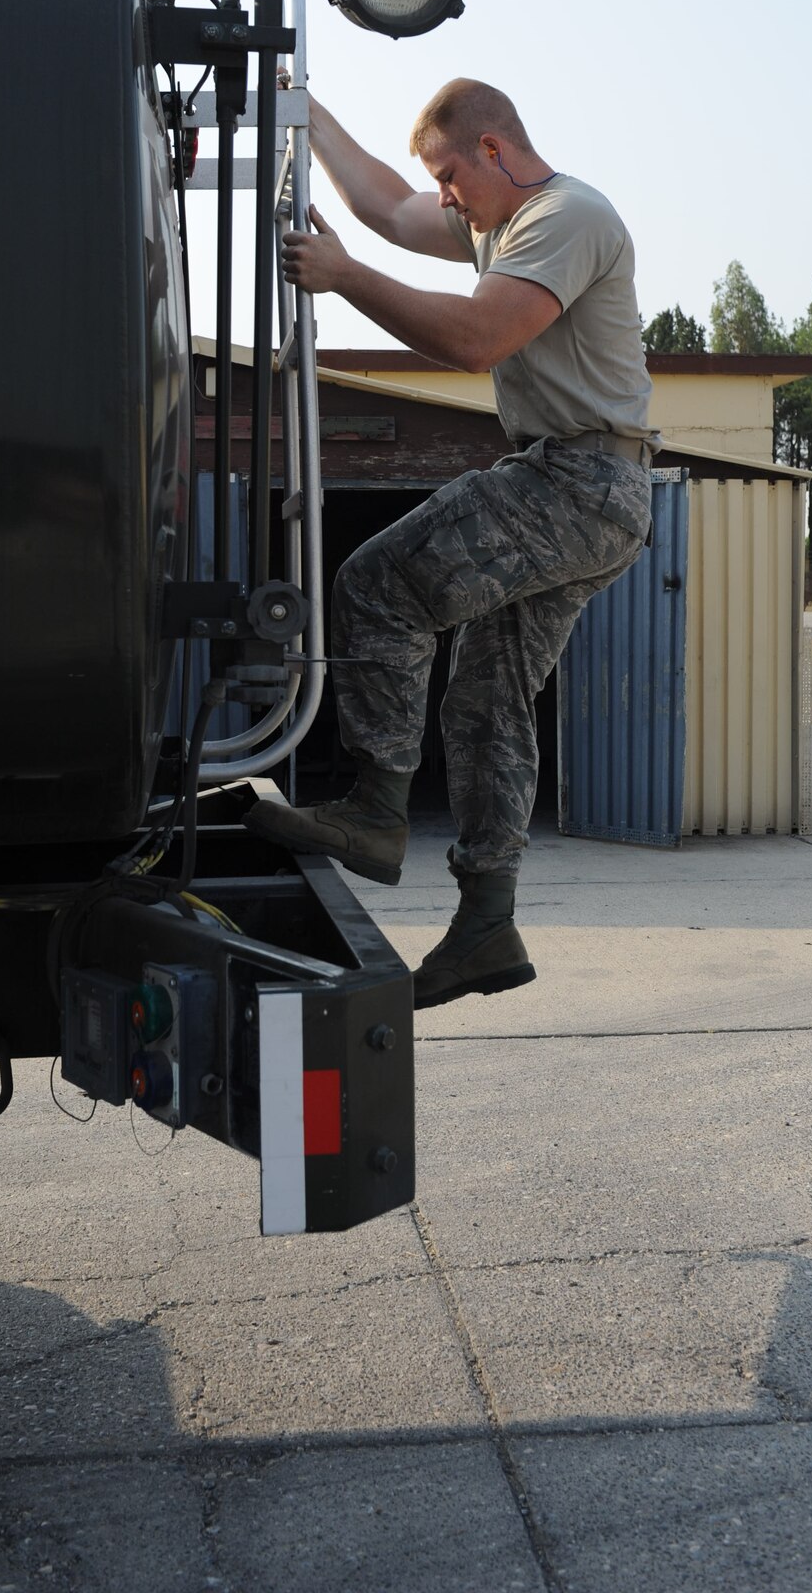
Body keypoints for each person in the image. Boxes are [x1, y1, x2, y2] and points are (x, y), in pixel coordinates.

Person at [244, 78, 657, 1008]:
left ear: (496, 153)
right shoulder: (496, 221)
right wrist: (303, 111)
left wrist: (345, 277)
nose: (442, 196)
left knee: (378, 583)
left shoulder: (565, 216)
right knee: (486, 704)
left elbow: (477, 339)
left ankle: (376, 811)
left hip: (576, 481)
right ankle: (485, 925)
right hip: (595, 490)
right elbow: (386, 206)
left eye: (450, 174)